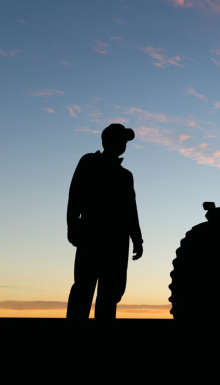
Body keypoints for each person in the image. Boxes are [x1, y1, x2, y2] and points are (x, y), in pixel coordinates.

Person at [66, 123, 144, 319]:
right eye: (120, 140)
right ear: (107, 141)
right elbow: (75, 196)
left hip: (117, 240)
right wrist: (73, 226)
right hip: (91, 234)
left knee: (110, 294)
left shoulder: (126, 176)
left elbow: (130, 210)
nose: (123, 144)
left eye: (125, 141)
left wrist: (137, 239)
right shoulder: (89, 162)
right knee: (83, 288)